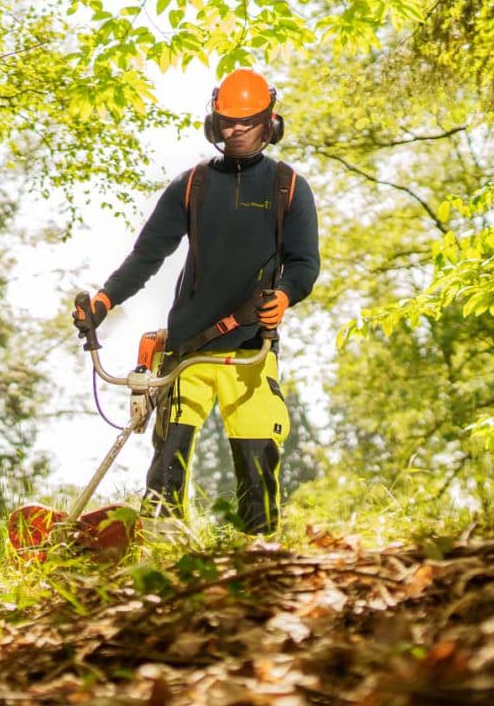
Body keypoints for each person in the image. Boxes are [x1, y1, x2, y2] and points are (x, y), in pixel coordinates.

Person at [73, 68, 320, 535]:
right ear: (215, 124)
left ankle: (258, 558)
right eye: (228, 121)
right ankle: (163, 556)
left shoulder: (288, 187)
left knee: (257, 465)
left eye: (249, 120)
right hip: (187, 352)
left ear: (271, 122)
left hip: (251, 353)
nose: (238, 129)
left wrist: (285, 296)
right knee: (166, 468)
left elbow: (305, 264)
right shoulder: (193, 186)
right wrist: (104, 302)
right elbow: (147, 256)